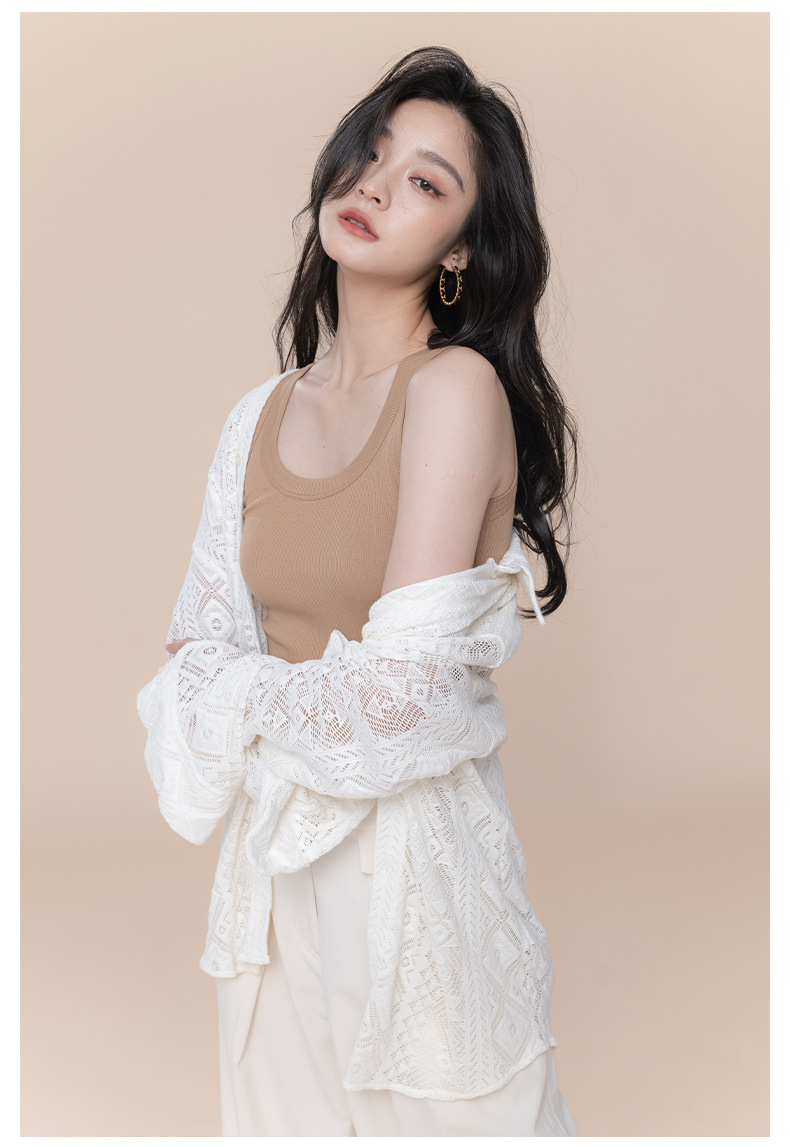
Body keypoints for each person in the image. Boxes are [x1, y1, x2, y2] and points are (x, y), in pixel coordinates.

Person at [161, 45, 580, 1136]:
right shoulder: (255, 416)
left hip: (415, 885)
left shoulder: (456, 389)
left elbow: (400, 704)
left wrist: (246, 696)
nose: (378, 186)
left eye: (426, 182)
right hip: (265, 888)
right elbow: (186, 669)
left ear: (462, 248)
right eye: (373, 153)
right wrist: (253, 693)